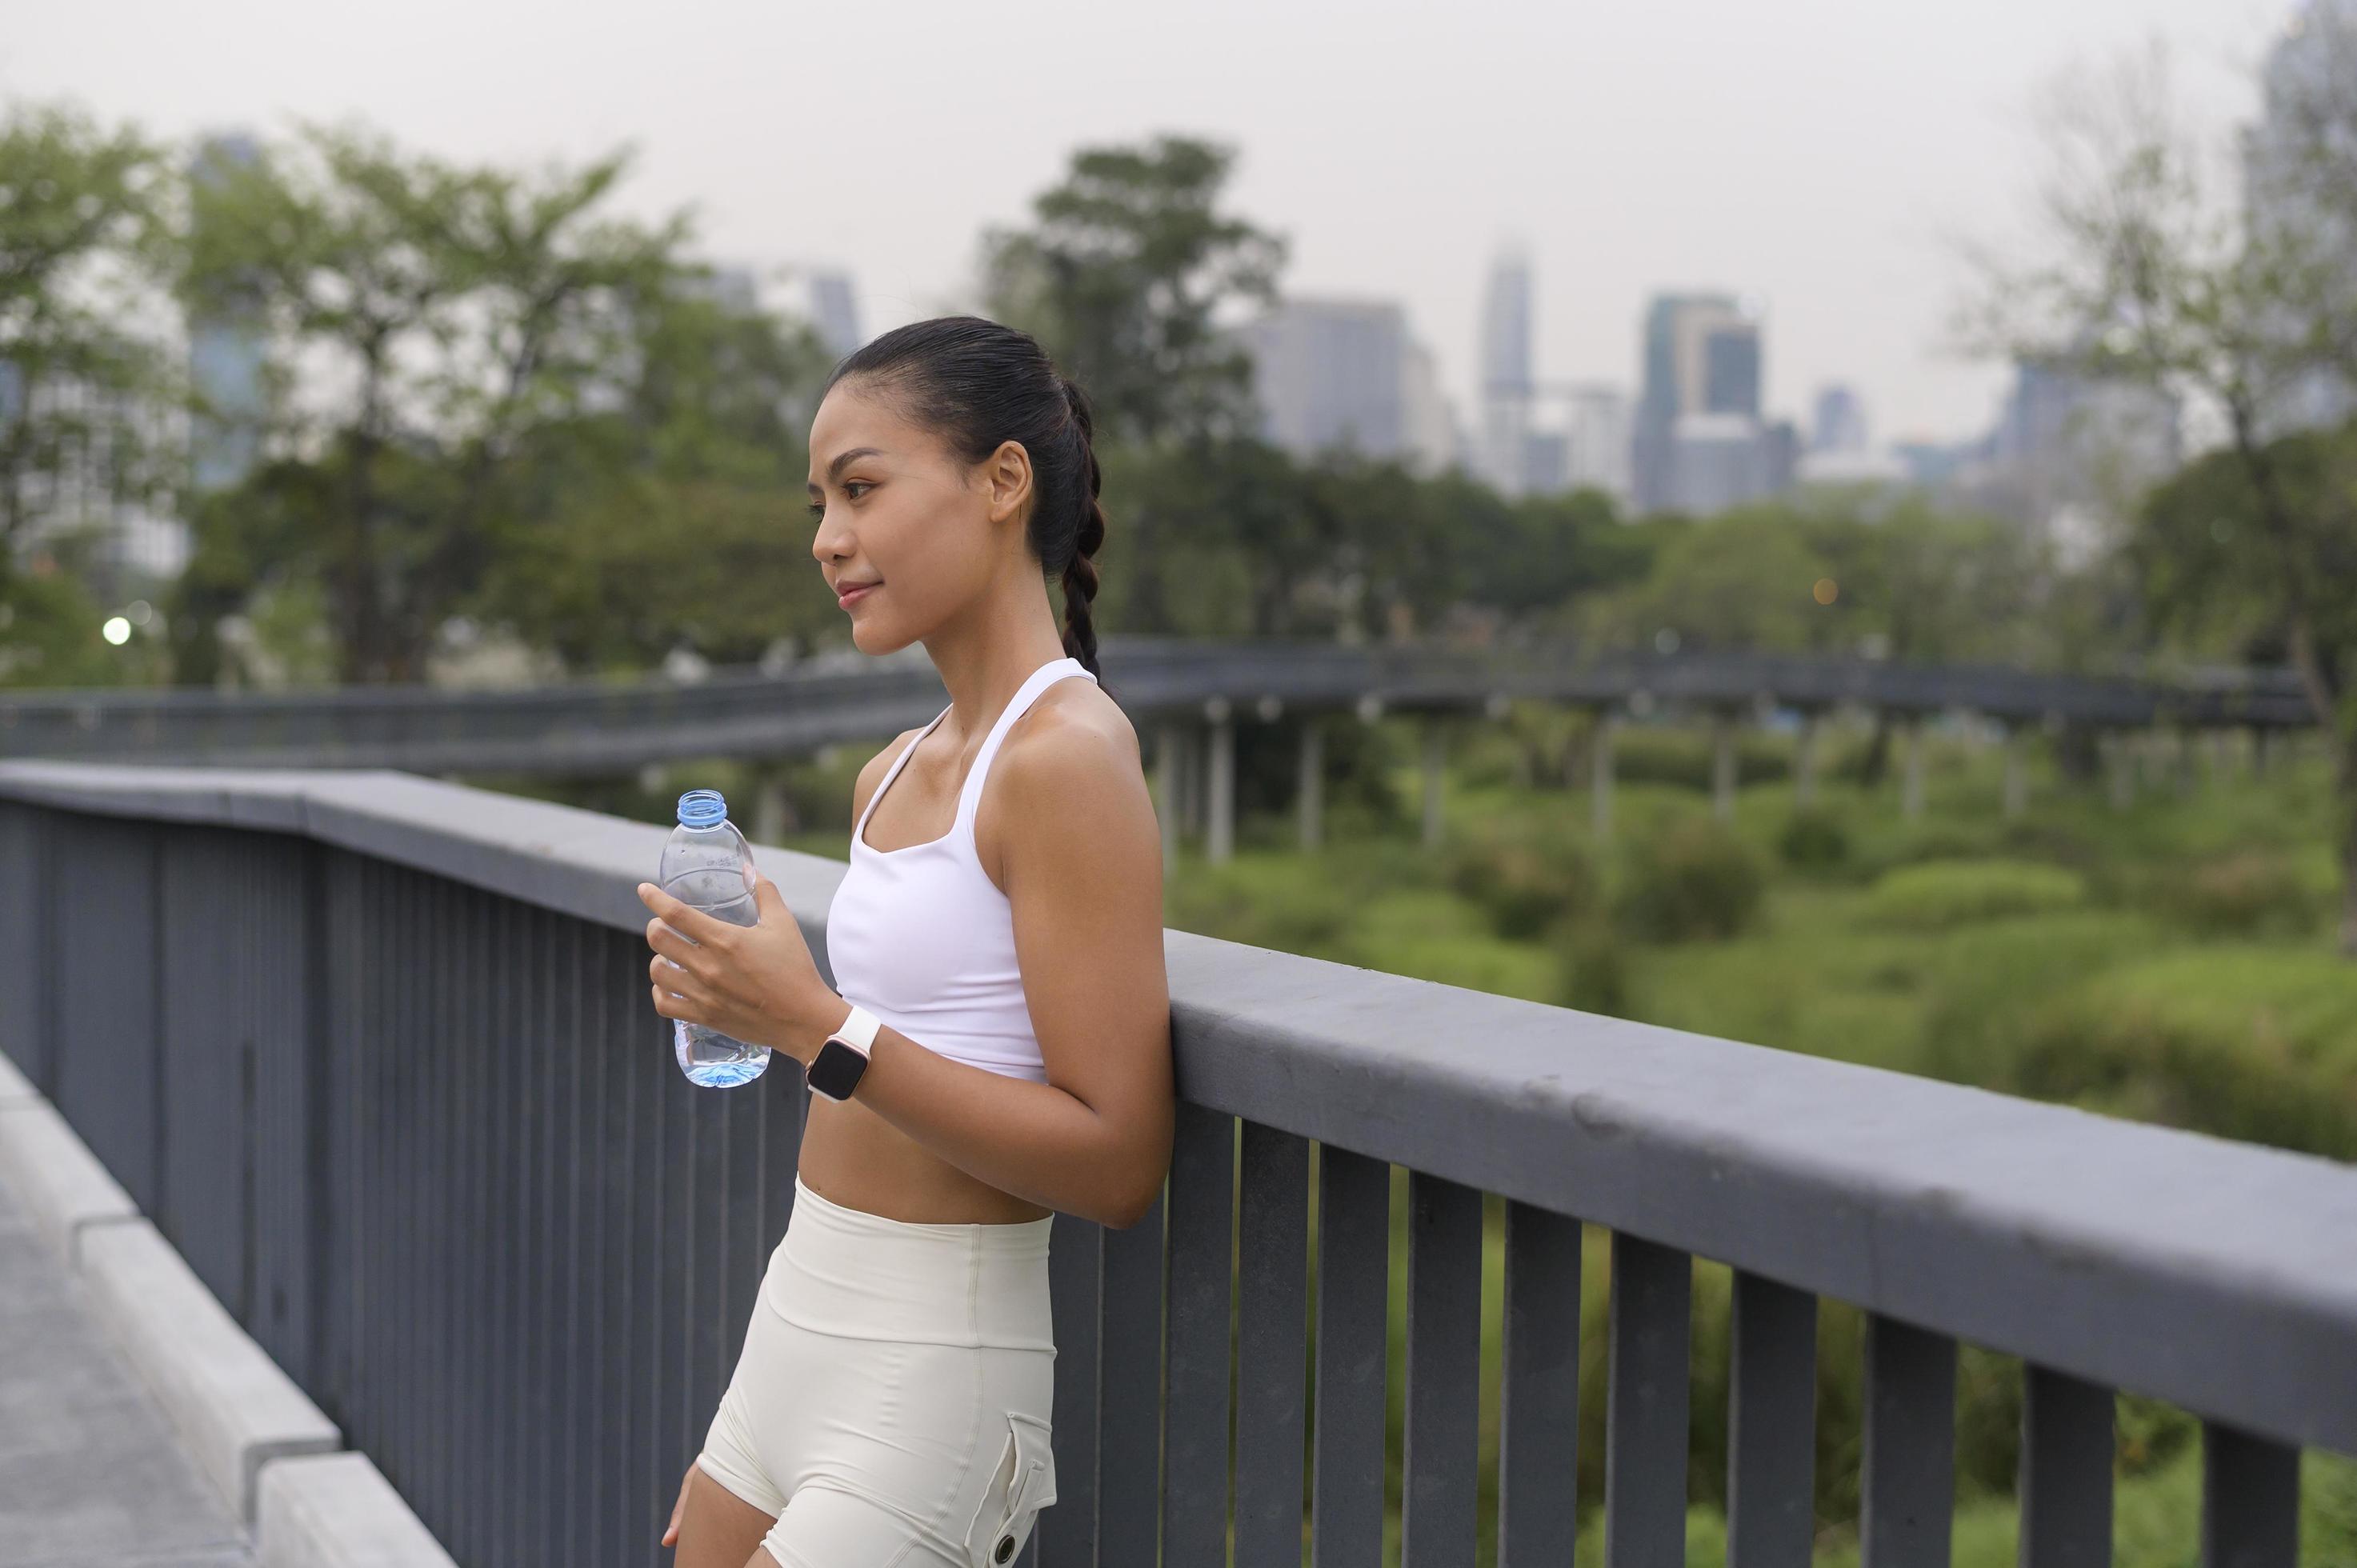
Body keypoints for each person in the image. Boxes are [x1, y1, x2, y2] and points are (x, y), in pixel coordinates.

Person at [634, 315, 1174, 1568]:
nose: (829, 539)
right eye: (820, 502)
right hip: (800, 1313)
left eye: (862, 490)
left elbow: (1116, 1162)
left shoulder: (1066, 759)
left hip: (938, 1365)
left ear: (1001, 482)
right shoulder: (893, 769)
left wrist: (812, 1026)